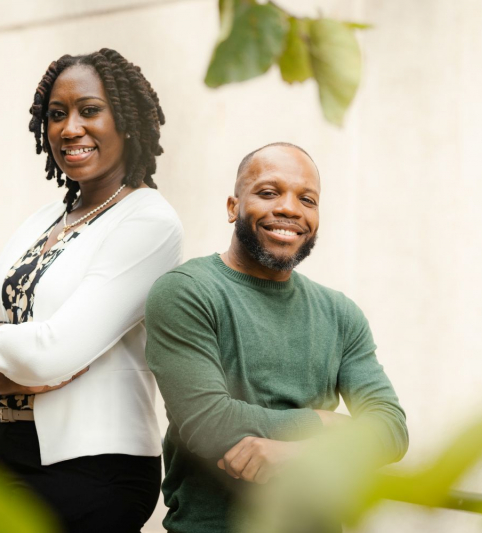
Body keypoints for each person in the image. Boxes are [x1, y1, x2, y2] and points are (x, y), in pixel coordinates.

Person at [0, 49, 183, 532]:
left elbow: (53, 354)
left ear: (128, 123)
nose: (70, 128)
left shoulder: (150, 221)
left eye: (89, 110)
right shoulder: (41, 221)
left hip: (96, 470)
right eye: (56, 114)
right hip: (9, 453)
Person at [144, 142, 408, 533]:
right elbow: (210, 424)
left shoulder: (340, 314)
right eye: (269, 193)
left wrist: (297, 455)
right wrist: (327, 424)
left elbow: (391, 430)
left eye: (308, 199)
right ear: (233, 206)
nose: (289, 208)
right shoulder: (187, 291)